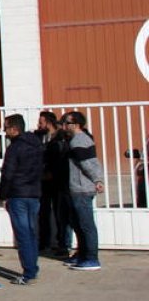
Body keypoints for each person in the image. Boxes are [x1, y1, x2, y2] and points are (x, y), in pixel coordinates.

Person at [0, 114, 43, 284]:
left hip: (18, 194)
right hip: (33, 193)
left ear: (14, 129)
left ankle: (29, 272)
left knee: (23, 235)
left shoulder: (14, 148)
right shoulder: (37, 145)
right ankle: (32, 267)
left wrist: (3, 195)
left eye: (6, 128)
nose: (4, 131)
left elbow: (8, 174)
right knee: (32, 233)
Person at [62, 111, 105, 271]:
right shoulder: (75, 140)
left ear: (76, 124)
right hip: (76, 188)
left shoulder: (79, 141)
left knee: (86, 224)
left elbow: (88, 163)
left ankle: (92, 258)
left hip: (82, 189)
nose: (65, 126)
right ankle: (82, 254)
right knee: (78, 224)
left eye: (67, 123)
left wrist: (97, 180)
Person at [35, 111, 71, 255]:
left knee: (60, 214)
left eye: (41, 122)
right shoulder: (39, 136)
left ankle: (63, 244)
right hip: (42, 181)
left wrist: (52, 172)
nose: (39, 124)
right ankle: (44, 242)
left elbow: (62, 159)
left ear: (49, 122)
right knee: (43, 213)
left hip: (58, 181)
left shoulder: (61, 137)